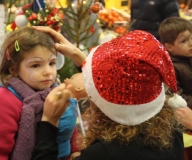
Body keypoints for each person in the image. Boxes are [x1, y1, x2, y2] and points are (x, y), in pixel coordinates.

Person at [31, 26, 186, 160]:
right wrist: (79, 56)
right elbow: (123, 81)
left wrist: (49, 123)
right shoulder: (172, 132)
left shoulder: (104, 153)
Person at [0, 26, 86, 160]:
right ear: (13, 69)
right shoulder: (0, 102)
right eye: (35, 65)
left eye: (52, 63)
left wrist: (75, 150)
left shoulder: (54, 90)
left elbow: (69, 127)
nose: (48, 72)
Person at [159, 17, 192, 109]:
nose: (191, 43)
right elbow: (178, 98)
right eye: (184, 41)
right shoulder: (171, 68)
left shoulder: (188, 56)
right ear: (169, 47)